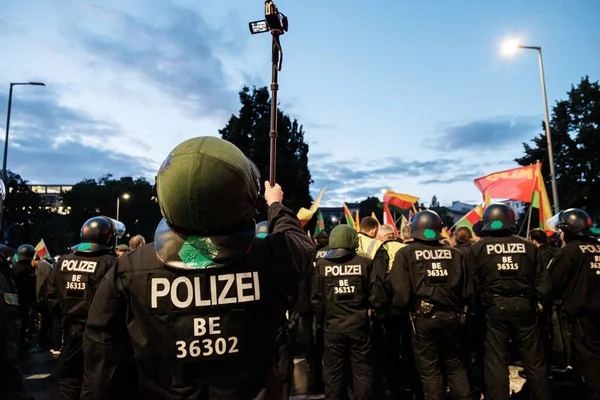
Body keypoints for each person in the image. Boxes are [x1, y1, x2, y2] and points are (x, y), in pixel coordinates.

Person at [82, 136, 315, 399]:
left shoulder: (130, 270)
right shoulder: (271, 256)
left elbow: (102, 361)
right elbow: (301, 246)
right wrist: (275, 205)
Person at [467, 203, 551, 400]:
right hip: (526, 307)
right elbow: (544, 284)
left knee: (495, 360)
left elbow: (471, 286)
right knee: (534, 361)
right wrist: (541, 310)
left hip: (492, 309)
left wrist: (477, 312)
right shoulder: (529, 247)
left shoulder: (477, 248)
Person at [390, 210, 473, 399]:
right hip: (452, 317)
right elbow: (468, 291)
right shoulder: (455, 254)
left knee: (430, 373)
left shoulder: (405, 254)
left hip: (423, 320)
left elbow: (401, 296)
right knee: (456, 367)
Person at [45, 216, 121, 400]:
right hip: (101, 335)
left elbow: (49, 295)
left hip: (70, 332)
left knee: (68, 380)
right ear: (109, 238)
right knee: (96, 382)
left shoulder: (63, 262)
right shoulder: (112, 264)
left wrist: (65, 316)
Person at [312, 224, 378, 400]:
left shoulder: (322, 264)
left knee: (333, 377)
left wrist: (323, 321)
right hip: (360, 328)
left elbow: (316, 300)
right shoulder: (365, 263)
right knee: (363, 374)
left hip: (332, 328)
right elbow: (376, 296)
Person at [547, 208, 600, 399]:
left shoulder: (569, 251)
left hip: (584, 314)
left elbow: (552, 283)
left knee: (590, 358)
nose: (559, 234)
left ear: (569, 230)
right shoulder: (596, 246)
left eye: (561, 230)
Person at [10, 244, 37, 352]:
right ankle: (21, 343)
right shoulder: (29, 270)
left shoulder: (12, 266)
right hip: (24, 301)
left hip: (12, 300)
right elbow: (30, 289)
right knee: (24, 322)